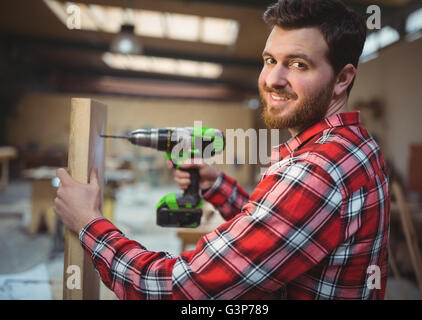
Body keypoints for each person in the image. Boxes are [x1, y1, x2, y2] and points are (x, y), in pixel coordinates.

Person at [54, 0, 390, 299]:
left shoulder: (316, 170)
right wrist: (215, 184)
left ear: (343, 79)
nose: (273, 78)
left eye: (299, 64)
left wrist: (87, 221)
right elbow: (279, 231)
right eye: (270, 59)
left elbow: (176, 287)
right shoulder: (357, 144)